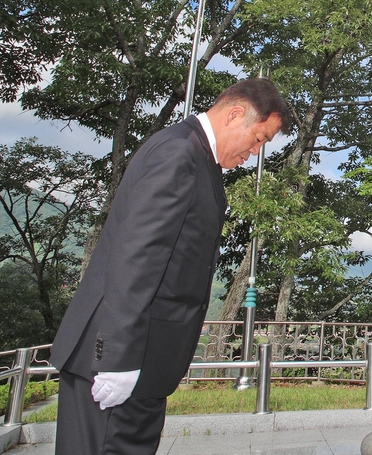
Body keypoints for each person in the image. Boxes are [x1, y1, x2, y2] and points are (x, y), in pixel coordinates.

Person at [50, 78, 291, 454]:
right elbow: (137, 257)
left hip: (145, 361)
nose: (254, 153)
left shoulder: (196, 158)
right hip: (119, 360)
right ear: (235, 114)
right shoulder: (179, 153)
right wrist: (117, 359)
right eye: (259, 139)